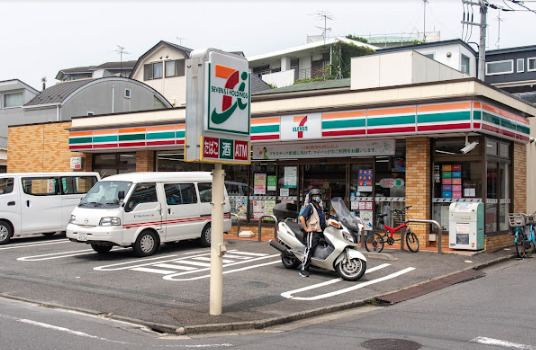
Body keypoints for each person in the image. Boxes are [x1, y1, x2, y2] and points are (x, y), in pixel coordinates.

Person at [298, 188, 326, 277]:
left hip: (321, 231)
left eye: (318, 196)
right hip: (313, 232)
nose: (317, 198)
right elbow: (302, 218)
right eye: (315, 196)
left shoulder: (320, 207)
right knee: (309, 248)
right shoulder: (309, 206)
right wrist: (306, 229)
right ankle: (303, 268)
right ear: (311, 197)